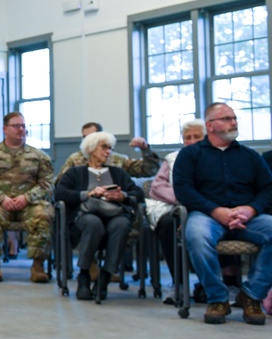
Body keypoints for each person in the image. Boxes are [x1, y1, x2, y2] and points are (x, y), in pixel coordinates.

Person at [173, 102, 272, 325]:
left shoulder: (250, 156)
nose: (233, 122)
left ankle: (252, 295)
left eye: (234, 118)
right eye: (226, 118)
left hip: (248, 217)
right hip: (207, 216)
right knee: (197, 234)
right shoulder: (190, 155)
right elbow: (183, 190)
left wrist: (251, 209)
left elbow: (268, 188)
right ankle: (218, 298)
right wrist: (215, 211)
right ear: (210, 125)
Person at [55, 131, 144, 301]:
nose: (108, 151)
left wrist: (122, 195)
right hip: (85, 216)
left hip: (115, 214)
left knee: (121, 225)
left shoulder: (117, 173)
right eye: (104, 147)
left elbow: (137, 193)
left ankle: (104, 278)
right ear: (91, 149)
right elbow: (60, 193)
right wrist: (87, 194)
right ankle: (84, 276)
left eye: (110, 148)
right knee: (93, 222)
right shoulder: (76, 172)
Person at [0, 113, 54, 283]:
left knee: (43, 215)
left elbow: (47, 183)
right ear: (5, 129)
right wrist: (1, 198)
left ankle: (38, 266)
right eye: (16, 126)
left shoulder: (39, 156)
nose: (21, 130)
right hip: (0, 203)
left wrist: (27, 197)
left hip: (29, 203)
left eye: (23, 126)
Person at [145, 119, 205, 286]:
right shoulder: (172, 158)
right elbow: (157, 187)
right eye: (188, 137)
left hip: (206, 209)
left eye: (197, 137)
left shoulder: (213, 156)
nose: (192, 141)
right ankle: (178, 282)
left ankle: (208, 284)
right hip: (177, 207)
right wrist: (184, 198)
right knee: (167, 224)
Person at [55, 121, 161, 183]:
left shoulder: (118, 160)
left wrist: (145, 149)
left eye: (92, 136)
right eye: (85, 137)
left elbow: (149, 171)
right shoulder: (75, 159)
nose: (88, 140)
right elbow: (60, 183)